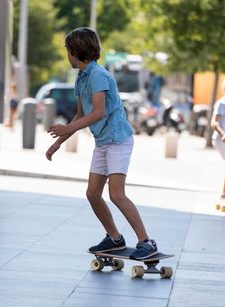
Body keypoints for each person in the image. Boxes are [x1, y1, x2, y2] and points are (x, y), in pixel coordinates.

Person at [45, 27, 158, 259]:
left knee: (116, 194)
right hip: (103, 142)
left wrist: (67, 129)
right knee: (93, 194)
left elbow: (97, 112)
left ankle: (146, 242)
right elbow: (79, 115)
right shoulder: (82, 77)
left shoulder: (98, 75)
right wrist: (60, 142)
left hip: (117, 140)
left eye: (68, 50)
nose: (67, 55)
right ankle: (115, 238)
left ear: (77, 51)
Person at [211, 76, 225, 198]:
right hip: (222, 139)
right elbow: (214, 122)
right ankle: (224, 193)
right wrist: (223, 133)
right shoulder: (222, 104)